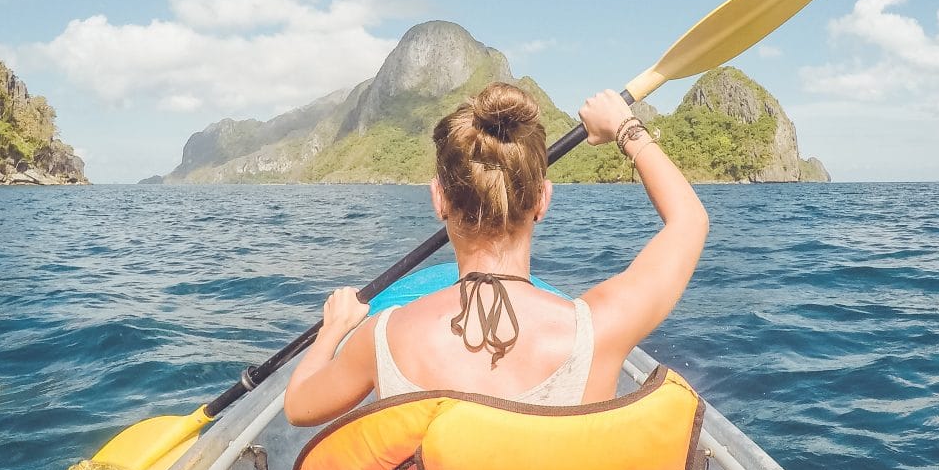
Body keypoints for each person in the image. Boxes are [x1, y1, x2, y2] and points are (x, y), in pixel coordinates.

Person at [284, 83, 708, 426]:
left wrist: (332, 331)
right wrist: (625, 127)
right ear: (543, 199)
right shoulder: (600, 329)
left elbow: (299, 406)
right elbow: (689, 221)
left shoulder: (379, 339)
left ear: (439, 200)